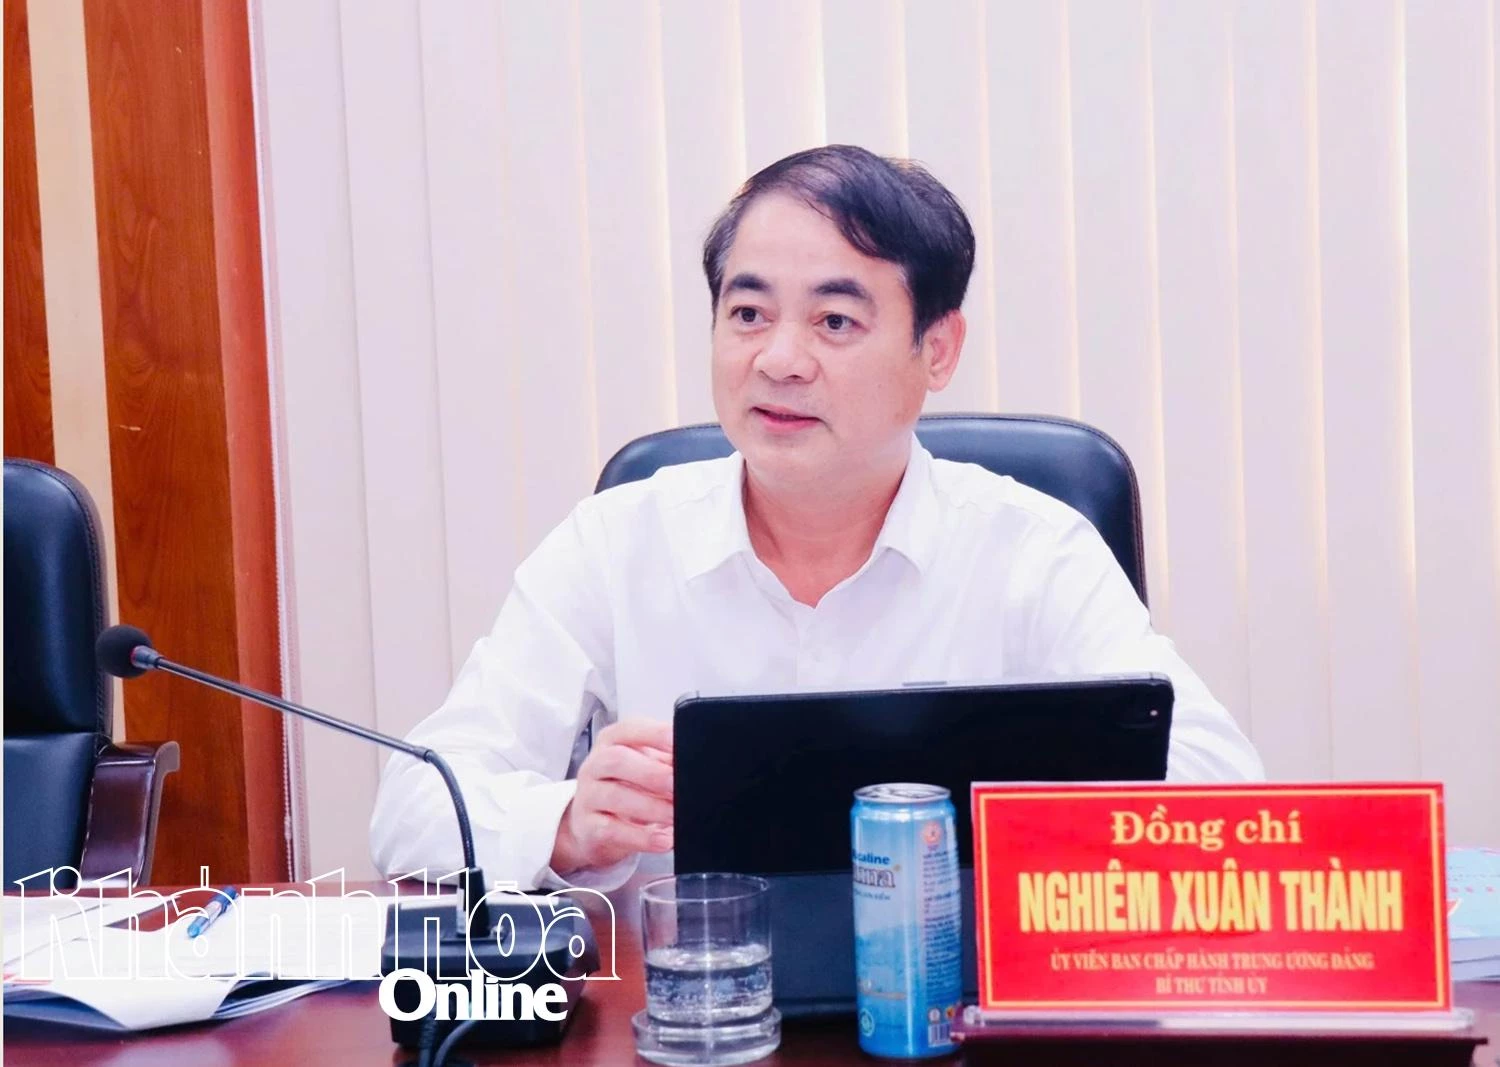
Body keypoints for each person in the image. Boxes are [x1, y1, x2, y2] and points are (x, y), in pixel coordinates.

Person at [369, 145, 1263, 891]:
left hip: (958, 1004)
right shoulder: (614, 543)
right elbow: (412, 808)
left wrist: (1030, 803)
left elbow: (1223, 795)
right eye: (748, 313)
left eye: (834, 321)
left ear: (937, 348)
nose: (779, 359)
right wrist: (565, 822)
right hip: (690, 1011)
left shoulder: (1032, 549)